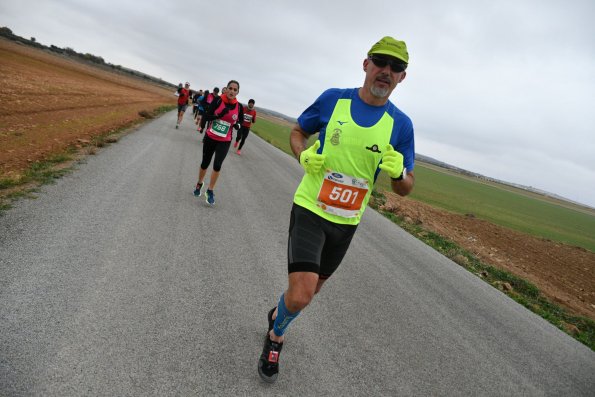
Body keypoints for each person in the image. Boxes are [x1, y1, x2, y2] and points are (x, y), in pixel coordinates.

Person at [257, 36, 416, 383]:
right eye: (381, 62)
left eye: (396, 67)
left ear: (402, 77)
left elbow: (406, 187)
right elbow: (299, 130)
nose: (386, 71)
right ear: (366, 64)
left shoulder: (401, 125)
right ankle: (275, 337)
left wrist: (399, 173)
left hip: (347, 222)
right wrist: (303, 154)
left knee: (309, 294)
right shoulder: (334, 99)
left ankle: (279, 315)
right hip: (311, 208)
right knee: (300, 294)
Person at [193, 80, 244, 205]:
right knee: (205, 163)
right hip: (211, 137)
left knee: (217, 165)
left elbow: (240, 122)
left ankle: (210, 190)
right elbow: (206, 116)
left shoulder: (239, 107)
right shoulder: (217, 101)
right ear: (226, 89)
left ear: (237, 92)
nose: (232, 91)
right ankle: (199, 183)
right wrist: (219, 115)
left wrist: (237, 125)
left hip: (224, 140)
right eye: (230, 88)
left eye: (235, 89)